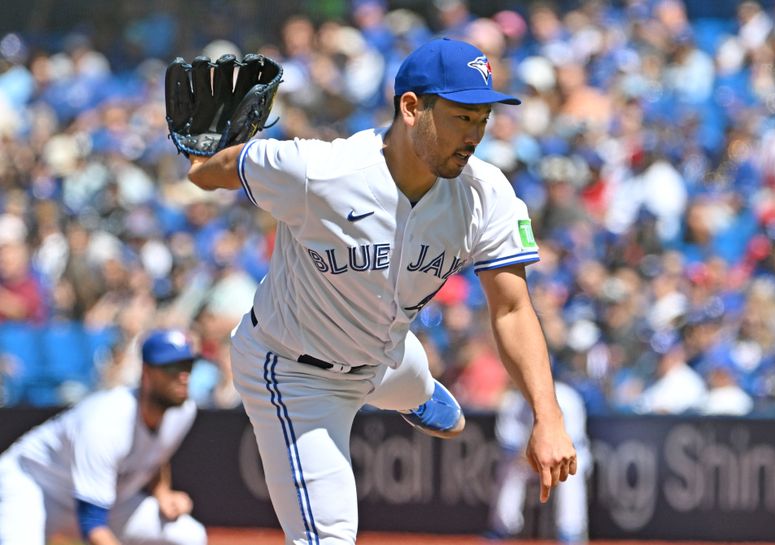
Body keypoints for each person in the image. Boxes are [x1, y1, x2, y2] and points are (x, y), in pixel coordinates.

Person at [185, 37, 577, 544]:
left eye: (483, 119)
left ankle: (416, 393)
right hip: (292, 371)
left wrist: (548, 417)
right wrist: (202, 161)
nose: (475, 135)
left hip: (387, 355)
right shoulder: (320, 172)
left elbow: (512, 309)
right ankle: (412, 393)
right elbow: (215, 173)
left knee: (416, 383)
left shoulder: (487, 193)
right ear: (412, 108)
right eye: (463, 117)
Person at [0, 329, 207, 545]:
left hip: (106, 502)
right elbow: (93, 524)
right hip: (33, 487)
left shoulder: (183, 411)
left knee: (189, 535)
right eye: (172, 368)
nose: (184, 376)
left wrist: (162, 491)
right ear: (147, 373)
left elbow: (156, 454)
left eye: (188, 366)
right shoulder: (106, 422)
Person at [488, 381, 591, 543]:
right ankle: (503, 527)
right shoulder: (516, 401)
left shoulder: (568, 397)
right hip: (528, 460)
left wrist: (552, 455)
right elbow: (508, 442)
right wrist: (524, 453)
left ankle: (571, 530)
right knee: (510, 469)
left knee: (571, 476)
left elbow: (575, 442)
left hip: (565, 458)